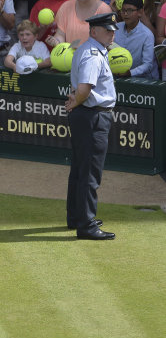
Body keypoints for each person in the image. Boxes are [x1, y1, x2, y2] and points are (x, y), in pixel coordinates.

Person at [65, 12, 117, 240]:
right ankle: (86, 224)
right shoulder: (93, 55)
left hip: (86, 115)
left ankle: (77, 217)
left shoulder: (89, 49)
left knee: (79, 169)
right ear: (94, 31)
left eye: (113, 30)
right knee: (89, 173)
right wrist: (75, 101)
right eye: (108, 30)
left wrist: (75, 102)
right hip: (92, 117)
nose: (112, 33)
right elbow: (85, 88)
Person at [46, 0, 111, 48]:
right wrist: (56, 41)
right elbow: (61, 34)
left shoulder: (104, 10)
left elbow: (107, 40)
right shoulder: (66, 6)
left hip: (94, 57)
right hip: (69, 57)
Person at [114, 0, 159, 79]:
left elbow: (147, 64)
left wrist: (130, 73)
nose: (125, 14)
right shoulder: (116, 29)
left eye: (130, 10)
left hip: (145, 80)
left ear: (140, 12)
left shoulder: (147, 35)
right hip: (119, 77)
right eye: (123, 10)